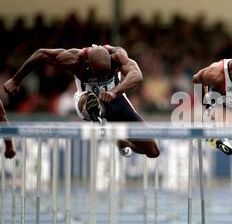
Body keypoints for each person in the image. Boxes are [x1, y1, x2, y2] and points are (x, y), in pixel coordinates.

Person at [3, 45, 160, 159]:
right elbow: (40, 54)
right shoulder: (74, 59)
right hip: (86, 99)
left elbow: (137, 75)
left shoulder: (118, 56)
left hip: (116, 98)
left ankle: (122, 143)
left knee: (153, 152)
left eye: (105, 74)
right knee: (91, 101)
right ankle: (96, 113)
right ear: (88, 66)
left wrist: (114, 92)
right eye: (98, 75)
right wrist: (16, 80)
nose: (101, 79)